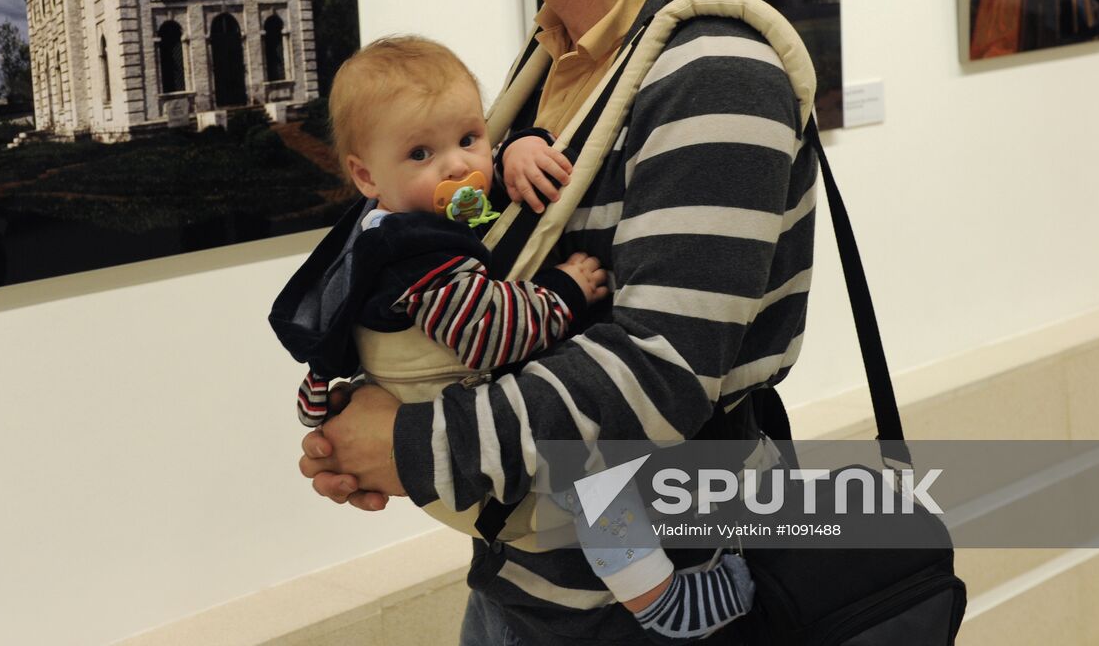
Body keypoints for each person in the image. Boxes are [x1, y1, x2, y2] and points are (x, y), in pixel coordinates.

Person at [298, 0, 818, 645]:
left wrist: (409, 445)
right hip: (533, 582)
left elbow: (659, 377)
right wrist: (362, 406)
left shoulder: (714, 72)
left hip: (649, 610)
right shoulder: (557, 63)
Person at [272, 34, 756, 643]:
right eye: (422, 152)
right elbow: (494, 333)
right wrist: (566, 288)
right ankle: (658, 599)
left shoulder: (392, 222)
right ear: (367, 174)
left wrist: (517, 150)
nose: (457, 167)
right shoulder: (415, 259)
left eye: (469, 138)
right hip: (476, 460)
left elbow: (485, 215)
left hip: (451, 463)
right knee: (598, 483)